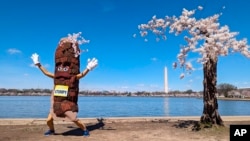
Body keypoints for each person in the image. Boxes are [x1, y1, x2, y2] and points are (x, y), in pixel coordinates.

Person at [31, 37, 98, 137]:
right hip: (57, 99)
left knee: (74, 118)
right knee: (49, 119)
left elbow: (80, 76)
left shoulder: (71, 77)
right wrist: (38, 64)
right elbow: (47, 73)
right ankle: (52, 130)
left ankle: (85, 130)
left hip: (68, 100)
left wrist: (88, 68)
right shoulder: (57, 76)